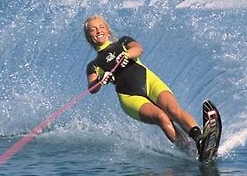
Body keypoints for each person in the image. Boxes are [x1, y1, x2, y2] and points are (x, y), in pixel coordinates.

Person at [83, 14, 203, 151]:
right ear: (89, 37)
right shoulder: (94, 65)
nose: (99, 31)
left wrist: (127, 54)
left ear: (108, 30)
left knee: (173, 110)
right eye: (93, 30)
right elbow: (92, 87)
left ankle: (199, 138)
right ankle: (188, 150)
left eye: (101, 27)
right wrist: (100, 79)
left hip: (149, 82)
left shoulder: (123, 42)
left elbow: (138, 48)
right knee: (162, 117)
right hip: (130, 97)